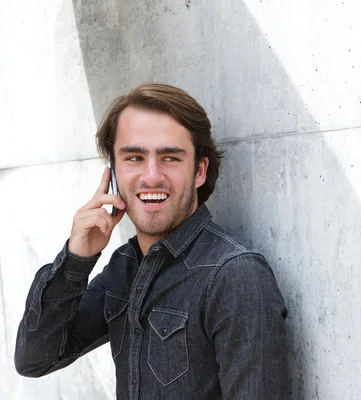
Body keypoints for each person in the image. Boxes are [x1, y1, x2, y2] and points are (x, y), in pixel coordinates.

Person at [14, 83, 289, 399]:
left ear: (199, 171)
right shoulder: (125, 267)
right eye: (134, 157)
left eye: (170, 158)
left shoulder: (234, 275)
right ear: (114, 174)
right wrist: (77, 260)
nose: (152, 175)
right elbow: (34, 359)